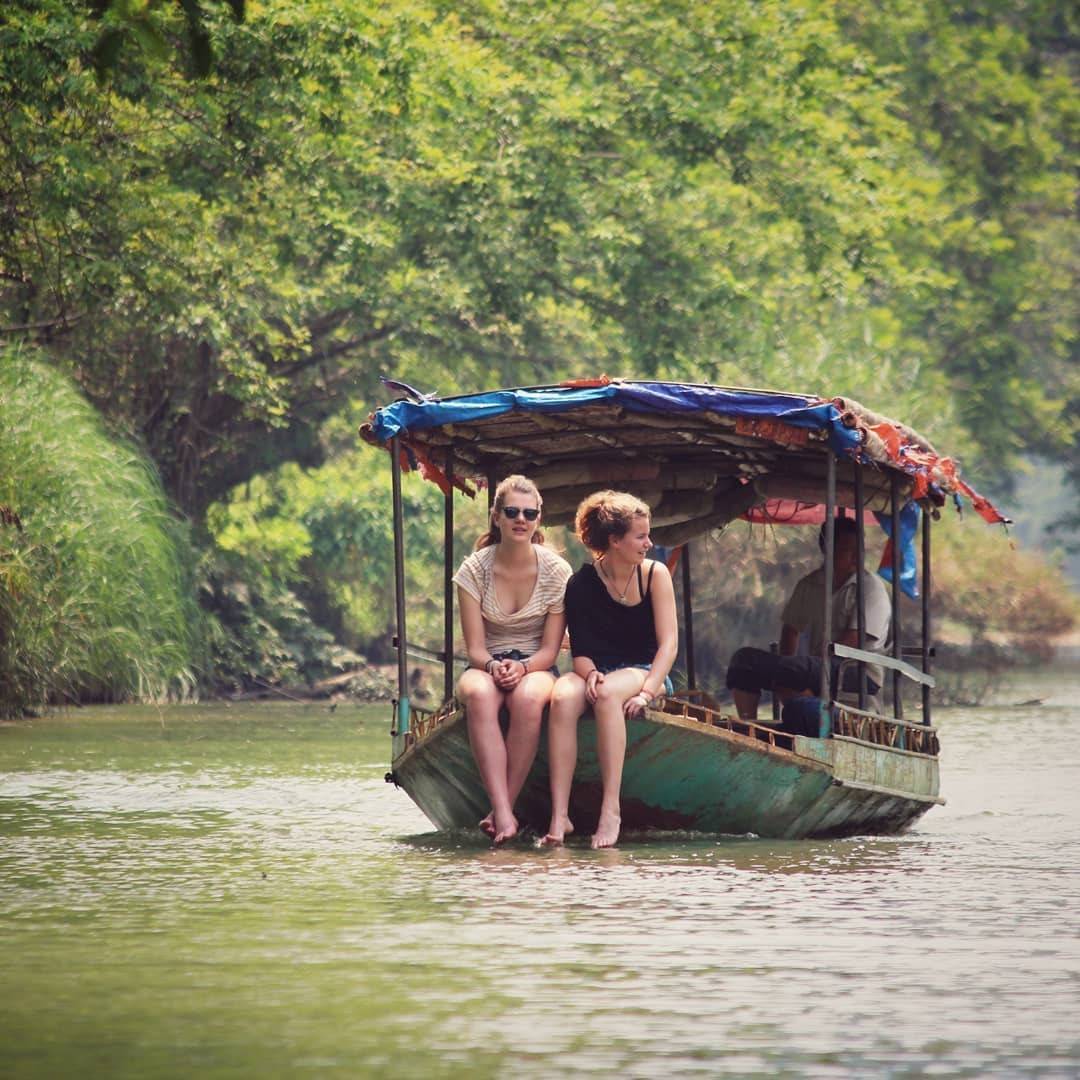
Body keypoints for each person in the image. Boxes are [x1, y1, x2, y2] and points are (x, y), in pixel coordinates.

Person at [543, 491, 678, 849]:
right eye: (640, 536)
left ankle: (610, 809)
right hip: (598, 670)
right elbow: (582, 652)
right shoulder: (581, 585)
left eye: (647, 535)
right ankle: (560, 815)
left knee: (606, 696)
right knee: (562, 695)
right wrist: (588, 675)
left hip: (645, 670)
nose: (649, 543)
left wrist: (648, 690)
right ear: (614, 541)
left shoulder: (654, 575)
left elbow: (669, 644)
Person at [453, 475, 572, 844]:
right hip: (485, 664)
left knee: (529, 698)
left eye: (529, 513)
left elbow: (551, 650)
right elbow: (474, 649)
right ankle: (504, 813)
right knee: (480, 695)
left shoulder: (557, 572)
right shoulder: (474, 569)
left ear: (538, 519)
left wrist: (523, 667)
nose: (521, 519)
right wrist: (493, 666)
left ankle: (500, 810)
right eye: (512, 512)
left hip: (536, 664)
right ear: (497, 517)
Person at [725, 516, 891, 721]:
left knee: (793, 670)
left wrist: (799, 669)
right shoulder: (809, 585)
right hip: (816, 667)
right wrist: (787, 664)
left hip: (857, 672)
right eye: (848, 550)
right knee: (744, 661)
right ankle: (749, 725)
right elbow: (791, 629)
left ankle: (806, 707)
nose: (856, 557)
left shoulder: (870, 588)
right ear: (828, 550)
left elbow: (854, 640)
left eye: (859, 550)